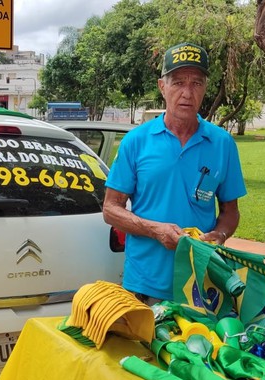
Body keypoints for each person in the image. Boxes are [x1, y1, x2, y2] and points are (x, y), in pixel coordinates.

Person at [103, 42, 247, 306]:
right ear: (162, 87)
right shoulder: (136, 141)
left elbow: (230, 211)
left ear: (206, 88)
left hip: (201, 285)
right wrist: (155, 229)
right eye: (178, 82)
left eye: (197, 83)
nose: (187, 93)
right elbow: (111, 209)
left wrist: (220, 235)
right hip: (146, 286)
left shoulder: (222, 143)